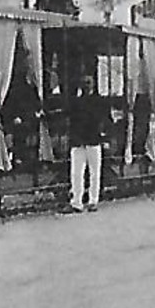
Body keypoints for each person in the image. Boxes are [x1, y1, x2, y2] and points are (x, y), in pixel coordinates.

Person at [68, 73, 110, 212]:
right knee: (77, 173)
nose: (86, 85)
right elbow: (72, 122)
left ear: (93, 84)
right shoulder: (77, 102)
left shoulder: (98, 101)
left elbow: (103, 121)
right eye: (84, 83)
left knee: (94, 173)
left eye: (88, 82)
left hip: (92, 140)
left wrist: (104, 137)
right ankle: (77, 202)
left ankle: (93, 201)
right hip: (80, 141)